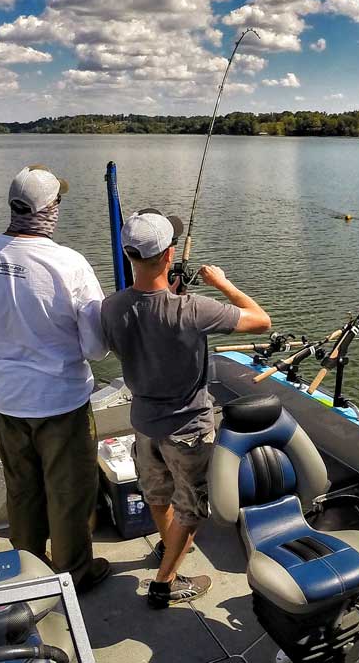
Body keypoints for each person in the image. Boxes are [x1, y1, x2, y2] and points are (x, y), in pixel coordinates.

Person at [100, 209, 270, 608]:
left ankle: (167, 547)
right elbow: (261, 320)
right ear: (169, 255)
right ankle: (165, 584)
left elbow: (145, 319)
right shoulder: (193, 309)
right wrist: (223, 283)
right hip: (188, 429)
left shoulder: (111, 307)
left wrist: (168, 297)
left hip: (144, 424)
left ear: (130, 256)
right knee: (191, 509)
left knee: (157, 494)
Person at [0, 164, 111, 592]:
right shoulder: (69, 264)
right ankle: (74, 573)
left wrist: (4, 364)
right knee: (70, 493)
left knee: (21, 488)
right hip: (62, 403)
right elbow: (96, 346)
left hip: (7, 400)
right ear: (51, 209)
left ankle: (26, 569)